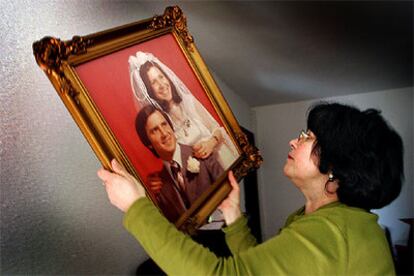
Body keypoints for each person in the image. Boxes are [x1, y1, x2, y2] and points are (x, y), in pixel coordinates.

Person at [97, 102, 403, 275]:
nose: (293, 141)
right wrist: (233, 217)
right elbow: (261, 268)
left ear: (337, 165)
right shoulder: (320, 219)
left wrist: (137, 208)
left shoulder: (332, 233)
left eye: (308, 138)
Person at [129, 51, 238, 176]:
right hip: (204, 176)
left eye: (161, 77)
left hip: (225, 159)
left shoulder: (189, 101)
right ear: (149, 91)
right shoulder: (162, 126)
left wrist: (211, 143)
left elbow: (217, 129)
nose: (161, 85)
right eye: (153, 82)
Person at [135, 105, 224, 222]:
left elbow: (228, 191)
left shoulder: (202, 152)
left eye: (164, 124)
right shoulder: (158, 187)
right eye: (155, 130)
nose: (164, 133)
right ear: (148, 143)